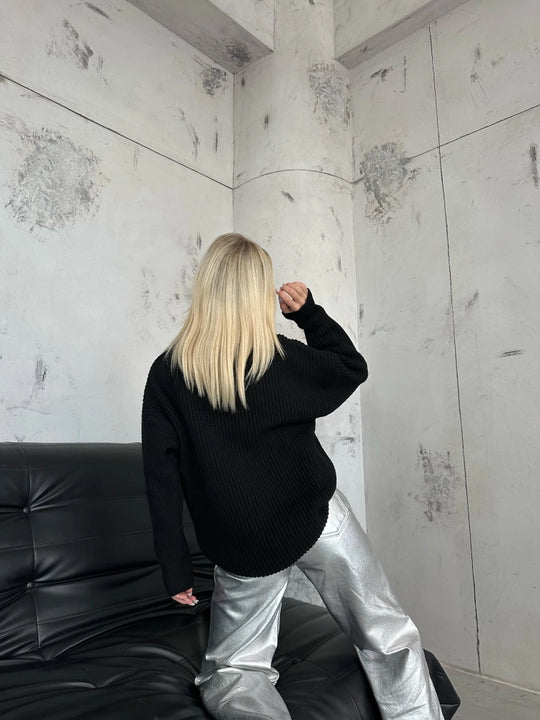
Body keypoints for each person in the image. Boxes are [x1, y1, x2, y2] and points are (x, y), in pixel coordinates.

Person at [141, 232, 445, 720]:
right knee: (386, 633)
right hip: (316, 517)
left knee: (236, 671)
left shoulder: (168, 373)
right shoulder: (282, 358)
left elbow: (161, 474)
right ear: (257, 292)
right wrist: (308, 314)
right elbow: (351, 367)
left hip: (244, 540)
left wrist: (173, 565)